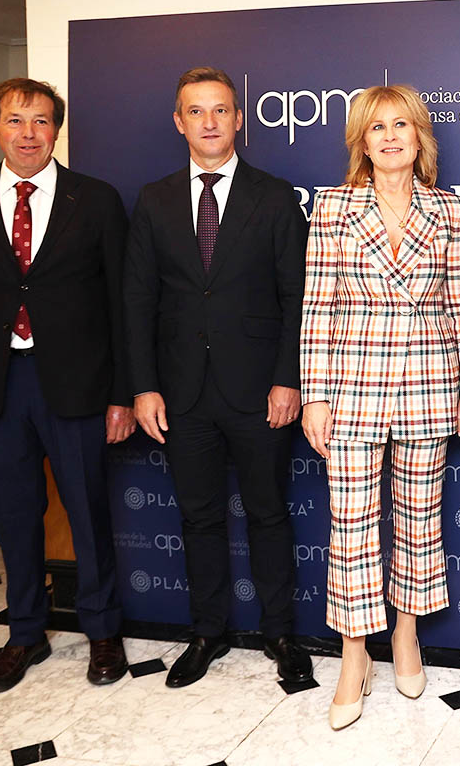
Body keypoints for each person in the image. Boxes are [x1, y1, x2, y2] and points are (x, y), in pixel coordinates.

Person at [301, 84, 460, 730]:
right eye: (375, 127)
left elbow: (459, 302)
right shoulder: (331, 208)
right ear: (361, 141)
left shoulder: (446, 210)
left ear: (419, 136)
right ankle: (355, 654)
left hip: (428, 383)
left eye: (400, 124)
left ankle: (406, 633)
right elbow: (318, 304)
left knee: (418, 516)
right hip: (352, 385)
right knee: (350, 525)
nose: (389, 136)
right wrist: (316, 395)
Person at [124, 67, 311, 688]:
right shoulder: (152, 200)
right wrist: (145, 386)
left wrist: (289, 379)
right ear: (179, 122)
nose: (209, 121)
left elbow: (296, 297)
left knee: (267, 513)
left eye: (221, 110)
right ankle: (207, 633)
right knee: (198, 517)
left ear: (240, 120)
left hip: (260, 391)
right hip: (181, 393)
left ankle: (280, 633)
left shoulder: (276, 196)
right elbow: (138, 301)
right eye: (196, 111)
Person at [0, 78, 133, 692]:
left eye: (41, 121)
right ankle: (24, 633)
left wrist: (122, 392)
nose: (29, 133)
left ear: (56, 130)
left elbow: (122, 302)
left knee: (88, 511)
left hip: (76, 383)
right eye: (16, 120)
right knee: (12, 515)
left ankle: (102, 632)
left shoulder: (93, 199)